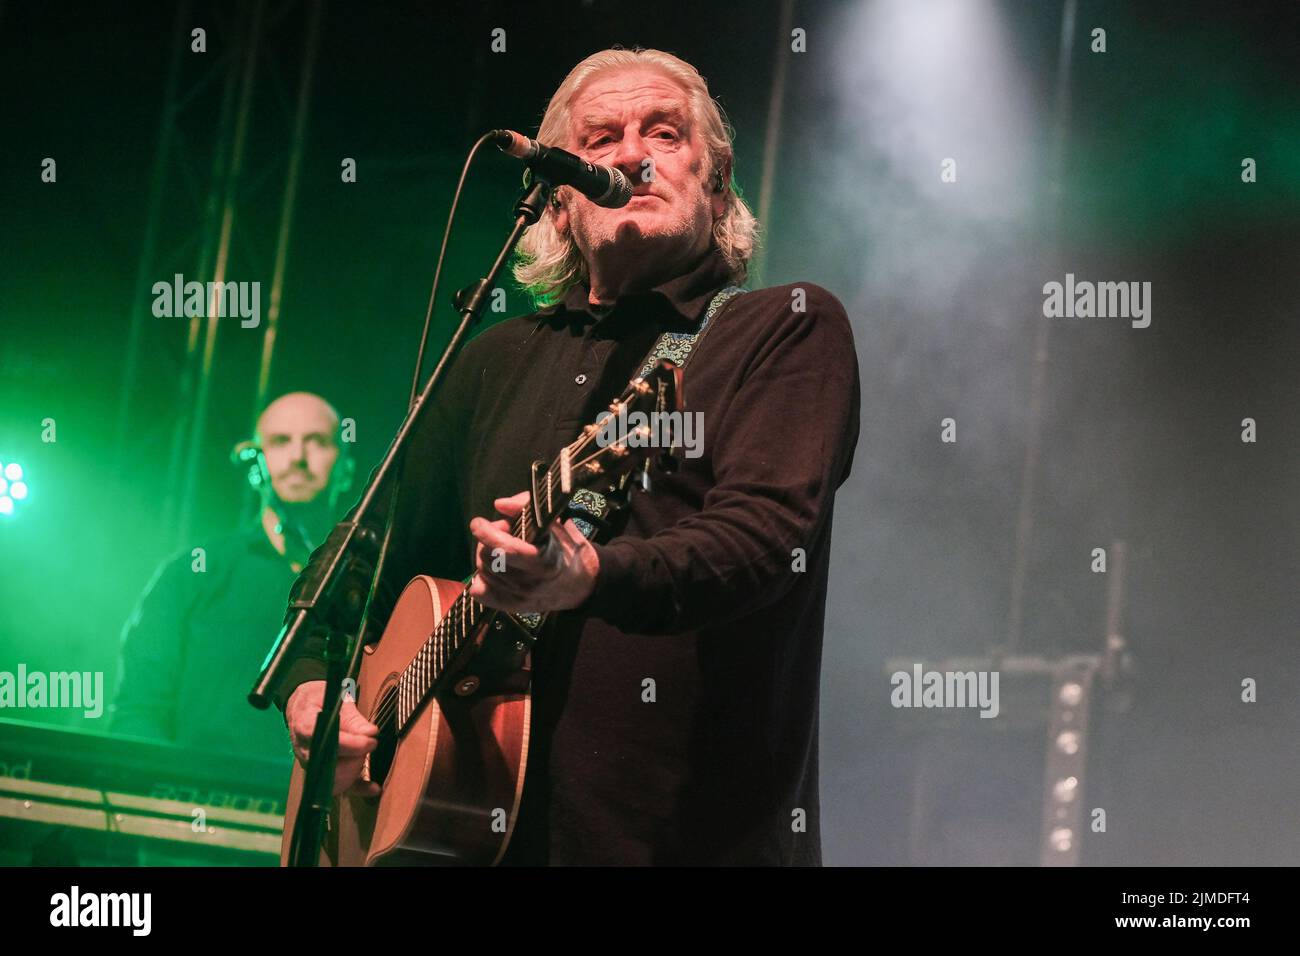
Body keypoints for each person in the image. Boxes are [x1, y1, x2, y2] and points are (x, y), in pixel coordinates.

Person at [277, 48, 861, 865]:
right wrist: (312, 686)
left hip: (683, 842)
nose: (631, 154)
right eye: (600, 138)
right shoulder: (489, 358)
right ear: (556, 200)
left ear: (717, 181)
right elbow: (360, 557)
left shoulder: (782, 328)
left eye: (664, 132)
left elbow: (768, 538)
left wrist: (591, 578)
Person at [111, 391, 353, 761]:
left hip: (318, 811)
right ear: (254, 462)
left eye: (317, 442)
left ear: (345, 468)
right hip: (192, 803)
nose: (298, 457)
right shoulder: (194, 572)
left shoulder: (366, 580)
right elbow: (138, 710)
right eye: (280, 441)